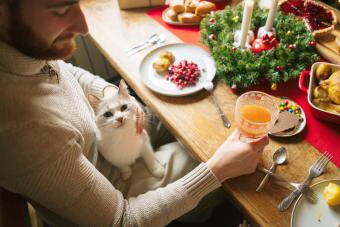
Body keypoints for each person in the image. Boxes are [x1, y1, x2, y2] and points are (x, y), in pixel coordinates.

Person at [0, 0, 269, 226]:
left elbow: (65, 71)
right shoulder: (20, 130)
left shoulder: (25, 50)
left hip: (103, 136)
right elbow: (122, 219)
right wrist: (216, 171)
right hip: (112, 188)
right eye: (60, 10)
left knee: (189, 117)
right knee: (214, 155)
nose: (83, 27)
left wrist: (108, 96)